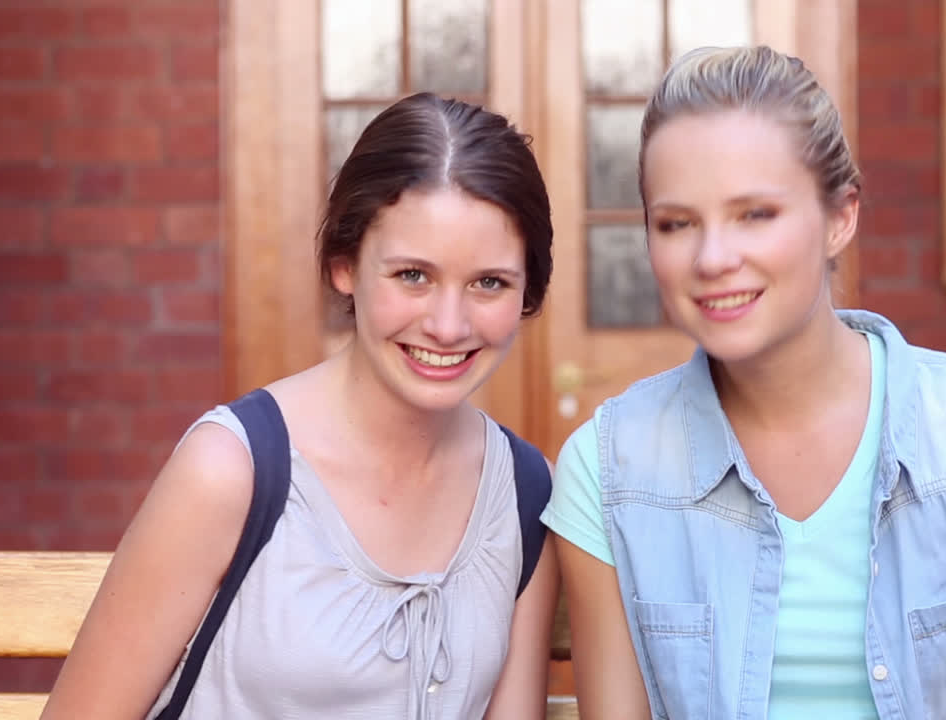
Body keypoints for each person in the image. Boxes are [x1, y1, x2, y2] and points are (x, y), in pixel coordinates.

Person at [542, 46, 946, 719]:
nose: (713, 258)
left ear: (840, 217)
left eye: (755, 214)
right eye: (677, 224)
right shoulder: (607, 469)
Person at [42, 93, 559, 720]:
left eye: (489, 283)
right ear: (345, 265)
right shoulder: (231, 470)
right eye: (412, 276)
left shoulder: (524, 492)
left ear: (526, 291)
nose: (448, 326)